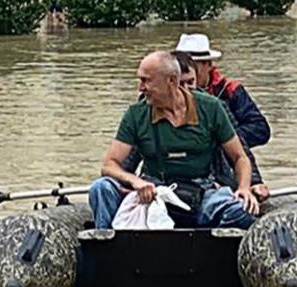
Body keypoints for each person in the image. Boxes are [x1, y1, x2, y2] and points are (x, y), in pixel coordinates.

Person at [90, 51, 259, 230]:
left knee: (242, 211)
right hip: (152, 195)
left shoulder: (211, 107)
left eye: (146, 80)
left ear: (171, 81)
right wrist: (135, 182)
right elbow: (109, 165)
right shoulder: (136, 114)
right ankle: (109, 248)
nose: (140, 88)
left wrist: (244, 188)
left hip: (201, 194)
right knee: (101, 188)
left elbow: (240, 158)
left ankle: (212, 248)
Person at [175, 33, 271, 200]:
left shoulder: (229, 91)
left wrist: (219, 138)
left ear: (208, 65)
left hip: (224, 164)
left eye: (192, 67)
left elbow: (258, 132)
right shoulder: (152, 102)